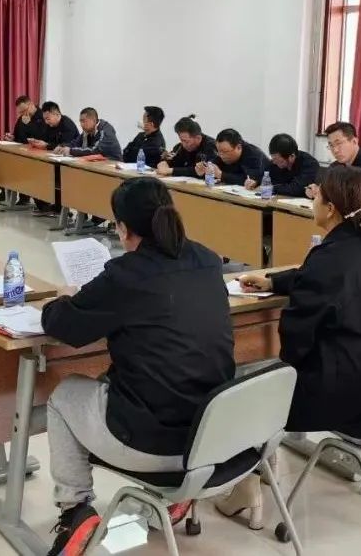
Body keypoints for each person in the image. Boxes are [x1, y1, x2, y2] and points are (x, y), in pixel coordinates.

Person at [40, 177, 235, 555]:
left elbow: (65, 327)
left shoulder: (126, 274)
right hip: (213, 437)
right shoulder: (208, 260)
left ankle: (74, 509)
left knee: (63, 395)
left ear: (122, 228)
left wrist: (61, 299)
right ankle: (176, 497)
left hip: (156, 442)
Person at [217, 166, 361, 526]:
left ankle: (247, 488)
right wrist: (275, 282)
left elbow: (296, 337)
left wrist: (284, 377)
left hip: (345, 394)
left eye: (317, 195)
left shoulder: (330, 257)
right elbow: (325, 280)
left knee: (251, 386)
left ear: (331, 207)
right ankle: (260, 468)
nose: (313, 200)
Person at [0, 96, 44, 203]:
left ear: (31, 104)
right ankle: (5, 191)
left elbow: (41, 136)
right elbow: (17, 135)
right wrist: (11, 138)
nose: (22, 114)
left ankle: (25, 197)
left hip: (36, 153)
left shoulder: (42, 117)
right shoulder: (22, 118)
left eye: (24, 111)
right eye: (20, 112)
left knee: (23, 169)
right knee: (3, 162)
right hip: (21, 151)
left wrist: (29, 124)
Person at [247, 133, 321, 197]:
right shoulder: (275, 163)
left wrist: (271, 188)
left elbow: (296, 189)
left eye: (278, 160)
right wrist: (255, 182)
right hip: (277, 201)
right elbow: (264, 176)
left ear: (291, 156)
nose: (274, 162)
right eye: (273, 159)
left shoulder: (309, 164)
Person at [196, 128, 269, 186]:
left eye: (225, 152)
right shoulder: (221, 153)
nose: (221, 155)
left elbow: (250, 181)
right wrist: (204, 170)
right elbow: (213, 166)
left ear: (238, 147)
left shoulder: (253, 155)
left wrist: (221, 175)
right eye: (218, 151)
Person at [56, 107, 122, 160]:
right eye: (80, 121)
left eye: (83, 121)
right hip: (97, 163)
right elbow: (76, 143)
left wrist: (71, 151)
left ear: (94, 120)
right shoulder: (87, 131)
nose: (81, 124)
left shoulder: (105, 130)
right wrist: (62, 146)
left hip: (112, 163)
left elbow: (95, 150)